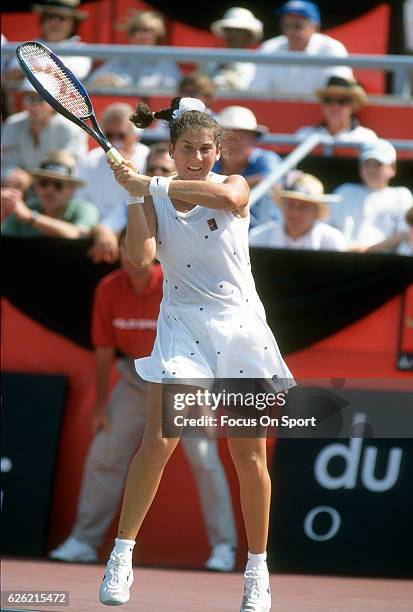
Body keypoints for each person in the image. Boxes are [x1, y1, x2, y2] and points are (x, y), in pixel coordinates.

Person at [98, 96, 294, 611]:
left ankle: (257, 570)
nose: (198, 157)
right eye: (187, 149)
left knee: (247, 453)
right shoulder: (152, 195)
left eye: (207, 149)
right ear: (172, 149)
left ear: (219, 151)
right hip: (182, 325)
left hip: (241, 330)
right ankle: (122, 554)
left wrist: (149, 184)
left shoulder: (234, 185)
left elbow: (227, 202)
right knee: (159, 439)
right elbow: (140, 258)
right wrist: (133, 198)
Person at [49, 231, 237, 572]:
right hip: (137, 378)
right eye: (126, 246)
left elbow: (206, 336)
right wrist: (102, 402)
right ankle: (84, 541)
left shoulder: (176, 282)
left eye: (139, 246)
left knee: (204, 458)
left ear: (154, 252)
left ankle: (224, 547)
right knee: (105, 452)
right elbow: (104, 348)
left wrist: (205, 396)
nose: (132, 252)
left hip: (185, 378)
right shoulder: (108, 288)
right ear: (120, 252)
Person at [76, 103, 149, 263]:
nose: (115, 141)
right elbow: (81, 202)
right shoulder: (89, 160)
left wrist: (109, 231)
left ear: (134, 135)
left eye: (121, 135)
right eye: (109, 135)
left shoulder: (147, 158)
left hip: (135, 236)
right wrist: (100, 231)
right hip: (93, 236)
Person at [1, 79, 88, 192]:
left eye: (40, 99)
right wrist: (13, 177)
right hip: (20, 190)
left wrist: (31, 178)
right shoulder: (12, 124)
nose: (33, 105)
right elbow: (7, 163)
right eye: (29, 99)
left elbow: (68, 171)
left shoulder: (70, 129)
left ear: (53, 103)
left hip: (59, 193)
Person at [251, 0, 353, 96]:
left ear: (315, 27)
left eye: (298, 26)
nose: (290, 31)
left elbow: (338, 94)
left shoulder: (331, 48)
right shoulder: (269, 48)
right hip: (274, 113)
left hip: (320, 114)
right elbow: (257, 91)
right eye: (286, 25)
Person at [328, 139, 413, 250]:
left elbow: (405, 233)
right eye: (367, 164)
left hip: (388, 264)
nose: (372, 170)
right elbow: (327, 228)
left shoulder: (401, 196)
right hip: (340, 260)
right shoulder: (344, 191)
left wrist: (367, 251)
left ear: (393, 168)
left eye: (378, 165)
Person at [213, 105, 282, 229]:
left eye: (241, 137)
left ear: (254, 140)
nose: (234, 143)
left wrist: (218, 190)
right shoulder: (211, 162)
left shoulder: (267, 160)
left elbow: (272, 182)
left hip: (261, 239)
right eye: (228, 137)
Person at [1, 150, 98, 237]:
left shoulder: (85, 209)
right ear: (35, 186)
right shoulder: (24, 209)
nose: (49, 190)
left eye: (58, 185)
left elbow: (78, 234)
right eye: (44, 183)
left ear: (72, 190)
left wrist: (30, 217)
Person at [249, 172, 346, 251]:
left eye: (303, 207)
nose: (294, 214)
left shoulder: (332, 241)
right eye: (290, 205)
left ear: (316, 212)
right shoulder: (257, 238)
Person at [88, 10, 181, 90]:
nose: (140, 34)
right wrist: (110, 81)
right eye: (135, 30)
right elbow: (94, 81)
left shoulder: (166, 62)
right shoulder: (120, 58)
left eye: (146, 30)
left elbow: (172, 90)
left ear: (158, 35)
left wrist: (122, 85)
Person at [3, 0, 91, 82]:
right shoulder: (26, 47)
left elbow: (77, 75)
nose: (55, 22)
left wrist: (33, 69)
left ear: (73, 24)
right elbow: (12, 72)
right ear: (42, 21)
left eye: (62, 18)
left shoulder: (81, 49)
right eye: (50, 16)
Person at [296, 76, 378, 144]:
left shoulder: (366, 138)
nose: (334, 106)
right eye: (328, 100)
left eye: (341, 101)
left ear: (352, 105)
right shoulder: (304, 135)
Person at [203, 7, 264, 90]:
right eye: (228, 30)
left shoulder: (259, 63)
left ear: (249, 35)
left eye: (239, 30)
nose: (232, 35)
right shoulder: (212, 60)